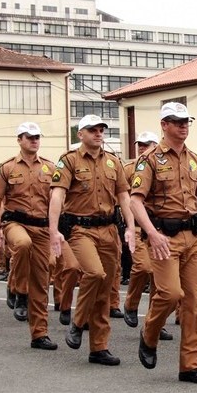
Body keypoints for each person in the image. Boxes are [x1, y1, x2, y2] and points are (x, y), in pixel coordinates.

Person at [130, 102, 197, 383]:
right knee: (170, 294)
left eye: (186, 121)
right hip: (164, 238)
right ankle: (150, 331)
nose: (183, 125)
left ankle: (190, 365)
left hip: (193, 238)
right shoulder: (150, 159)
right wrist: (151, 233)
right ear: (164, 125)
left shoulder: (194, 159)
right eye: (176, 121)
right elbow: (135, 201)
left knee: (194, 302)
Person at [49, 115, 136, 366]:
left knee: (106, 289)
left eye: (101, 129)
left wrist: (130, 227)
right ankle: (78, 322)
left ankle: (99, 347)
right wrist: (54, 230)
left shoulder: (113, 162)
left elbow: (123, 195)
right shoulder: (69, 161)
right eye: (92, 130)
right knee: (95, 274)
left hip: (108, 229)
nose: (98, 133)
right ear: (80, 134)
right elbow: (57, 196)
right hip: (80, 229)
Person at [0, 121, 73, 350]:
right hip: (16, 222)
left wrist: (57, 229)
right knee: (22, 245)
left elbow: (58, 199)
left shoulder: (51, 168)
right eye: (29, 137)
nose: (34, 140)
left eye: (37, 137)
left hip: (42, 228)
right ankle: (18, 288)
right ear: (19, 140)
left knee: (41, 282)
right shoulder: (7, 168)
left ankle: (39, 334)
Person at [122, 131, 173, 341]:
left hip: (160, 227)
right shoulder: (128, 169)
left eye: (147, 144)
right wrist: (128, 226)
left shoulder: (164, 164)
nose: (142, 148)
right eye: (139, 145)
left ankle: (154, 321)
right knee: (144, 266)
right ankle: (131, 303)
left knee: (158, 278)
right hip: (136, 225)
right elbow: (125, 199)